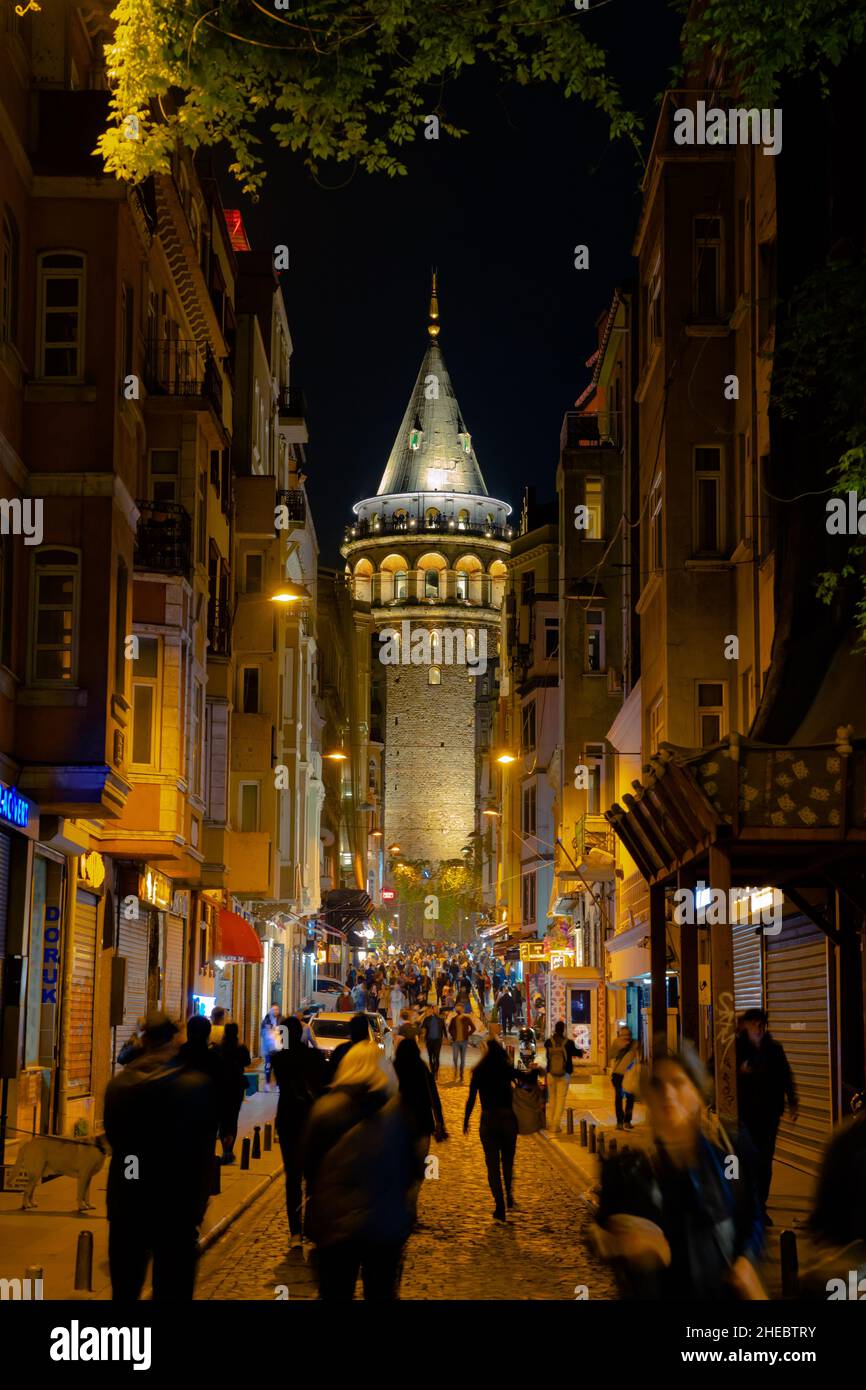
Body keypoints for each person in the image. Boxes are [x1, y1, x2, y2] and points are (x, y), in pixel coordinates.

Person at [592, 1042, 765, 1300]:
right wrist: (621, 1244)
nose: (667, 1093)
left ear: (698, 1094)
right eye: (657, 1085)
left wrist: (746, 1262)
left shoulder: (727, 1161)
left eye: (678, 1083)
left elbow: (750, 1217)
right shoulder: (626, 1171)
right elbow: (598, 1234)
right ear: (647, 1098)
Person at [103, 1012, 218, 1300]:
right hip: (175, 1206)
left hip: (128, 1202)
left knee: (125, 1291)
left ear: (145, 1041)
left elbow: (118, 1143)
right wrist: (198, 1201)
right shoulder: (194, 1086)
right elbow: (202, 1152)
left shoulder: (119, 1087)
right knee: (172, 1289)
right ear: (173, 1041)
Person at [301, 1041, 419, 1299]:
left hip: (335, 1227)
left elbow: (308, 1167)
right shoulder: (398, 1113)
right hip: (384, 1226)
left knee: (335, 1293)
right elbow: (412, 1169)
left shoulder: (324, 1110)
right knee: (380, 1293)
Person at [736, 1008, 798, 1222]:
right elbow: (716, 1071)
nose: (760, 1029)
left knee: (765, 1162)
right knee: (742, 1161)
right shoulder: (735, 1049)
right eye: (755, 1024)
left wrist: (792, 1101)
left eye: (762, 1024)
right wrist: (739, 1072)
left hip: (769, 1114)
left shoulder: (774, 1049)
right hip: (744, 1115)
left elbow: (785, 1074)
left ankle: (760, 1206)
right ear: (746, 1025)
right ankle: (744, 1204)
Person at [271, 1016, 327, 1247]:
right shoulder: (315, 1057)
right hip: (312, 1120)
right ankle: (313, 1226)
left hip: (288, 1121)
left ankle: (295, 1232)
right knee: (313, 1176)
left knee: (292, 1178)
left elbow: (280, 1081)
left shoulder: (279, 1059)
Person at [464, 1028, 520, 1221]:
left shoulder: (479, 1071)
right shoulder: (505, 1068)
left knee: (492, 1165)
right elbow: (525, 1078)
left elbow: (471, 1099)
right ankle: (509, 1194)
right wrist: (536, 1071)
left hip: (488, 1120)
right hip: (507, 1119)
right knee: (508, 1162)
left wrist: (466, 1121)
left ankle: (500, 1205)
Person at [393, 1037, 447, 1219]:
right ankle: (410, 1203)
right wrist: (441, 1123)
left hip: (397, 1126)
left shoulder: (393, 1069)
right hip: (422, 1126)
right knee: (418, 1169)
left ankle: (399, 1203)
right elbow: (434, 1099)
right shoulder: (423, 1069)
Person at [217, 1022, 251, 1164]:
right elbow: (248, 1062)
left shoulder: (219, 1048)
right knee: (233, 1117)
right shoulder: (240, 1048)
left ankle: (225, 1147)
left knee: (222, 1118)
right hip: (236, 1087)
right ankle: (229, 1150)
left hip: (222, 1087)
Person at [544, 1021, 579, 1134]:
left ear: (555, 1029)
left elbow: (547, 1056)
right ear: (563, 1029)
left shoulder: (549, 1042)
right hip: (564, 1074)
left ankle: (550, 1123)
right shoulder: (568, 1043)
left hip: (550, 1074)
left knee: (552, 1100)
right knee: (560, 1100)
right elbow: (577, 1053)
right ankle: (555, 1125)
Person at [610, 1026, 641, 1132]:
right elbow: (610, 1055)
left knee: (630, 1098)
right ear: (620, 1035)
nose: (626, 1037)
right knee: (618, 1098)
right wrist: (619, 1047)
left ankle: (627, 1121)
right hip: (618, 1074)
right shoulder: (616, 1043)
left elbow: (638, 1057)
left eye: (628, 1035)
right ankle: (619, 1122)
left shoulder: (635, 1044)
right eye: (624, 1035)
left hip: (630, 1075)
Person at [448, 1007, 476, 1082]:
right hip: (455, 1042)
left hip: (464, 1041)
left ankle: (461, 1075)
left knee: (462, 1059)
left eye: (459, 1009)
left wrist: (467, 1034)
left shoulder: (467, 1018)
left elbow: (473, 1028)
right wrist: (453, 1035)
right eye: (457, 1009)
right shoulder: (453, 1019)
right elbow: (449, 1029)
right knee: (455, 1058)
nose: (458, 1010)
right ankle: (456, 1072)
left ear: (463, 1010)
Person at [419, 1002, 445, 1077]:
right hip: (429, 1040)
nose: (437, 1010)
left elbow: (444, 1030)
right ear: (432, 1010)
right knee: (430, 1056)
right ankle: (432, 1070)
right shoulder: (427, 1019)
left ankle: (436, 1071)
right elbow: (422, 1028)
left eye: (438, 1009)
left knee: (436, 1056)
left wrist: (445, 1038)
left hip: (438, 1041)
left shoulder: (441, 1020)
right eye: (436, 1009)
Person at [260, 1004, 281, 1091]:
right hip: (269, 1049)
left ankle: (278, 1085)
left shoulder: (281, 1020)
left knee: (278, 1068)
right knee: (268, 1067)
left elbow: (285, 1034)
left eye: (277, 1009)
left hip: (278, 1049)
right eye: (274, 1009)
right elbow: (263, 1034)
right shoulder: (266, 1021)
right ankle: (267, 1084)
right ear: (270, 1010)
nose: (275, 1011)